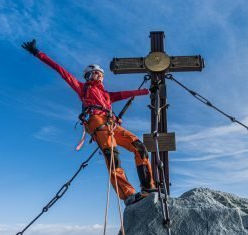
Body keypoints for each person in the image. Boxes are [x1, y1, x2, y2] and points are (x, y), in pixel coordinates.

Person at [22, 39, 156, 206]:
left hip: (111, 124)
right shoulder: (83, 88)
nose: (100, 75)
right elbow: (61, 71)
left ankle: (148, 188)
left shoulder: (107, 95)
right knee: (112, 156)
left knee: (139, 146)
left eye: (101, 73)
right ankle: (128, 195)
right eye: (97, 73)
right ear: (89, 75)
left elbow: (125, 94)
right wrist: (37, 53)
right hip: (97, 122)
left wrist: (147, 90)